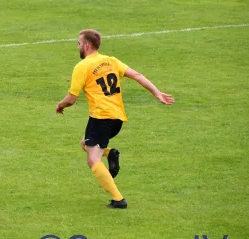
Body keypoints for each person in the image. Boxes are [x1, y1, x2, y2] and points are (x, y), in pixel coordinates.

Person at [55, 29, 174, 209]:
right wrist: (157, 93)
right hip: (117, 118)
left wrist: (60, 105)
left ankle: (118, 199)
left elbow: (71, 99)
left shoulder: (82, 67)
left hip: (101, 118)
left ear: (86, 45)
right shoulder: (111, 61)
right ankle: (110, 153)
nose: (78, 46)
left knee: (92, 159)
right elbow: (137, 75)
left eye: (79, 44)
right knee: (85, 143)